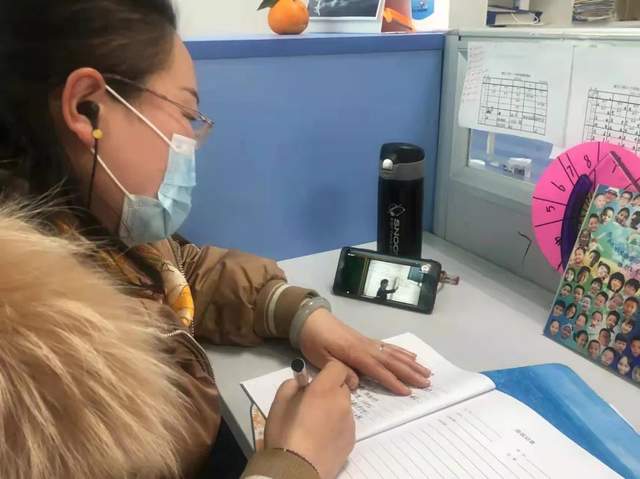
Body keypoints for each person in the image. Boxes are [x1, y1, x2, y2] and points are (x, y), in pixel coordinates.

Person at [0, 2, 430, 478]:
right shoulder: (33, 368)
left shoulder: (77, 218)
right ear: (86, 106)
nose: (192, 138)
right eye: (186, 112)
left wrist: (296, 315)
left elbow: (177, 271)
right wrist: (293, 463)